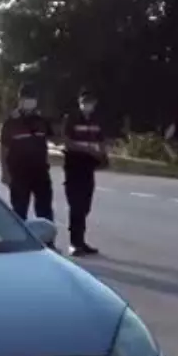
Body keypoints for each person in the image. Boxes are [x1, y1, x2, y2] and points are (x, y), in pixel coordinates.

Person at [0, 83, 56, 247]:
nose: (31, 101)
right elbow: (3, 148)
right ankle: (19, 243)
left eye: (33, 98)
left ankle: (47, 243)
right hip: (19, 173)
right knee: (19, 210)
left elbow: (54, 139)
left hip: (40, 172)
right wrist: (5, 172)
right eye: (28, 98)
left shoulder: (41, 121)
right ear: (20, 100)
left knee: (45, 210)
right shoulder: (11, 122)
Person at [60, 89, 107, 256]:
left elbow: (101, 140)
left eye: (91, 102)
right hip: (74, 165)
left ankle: (81, 241)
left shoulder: (96, 120)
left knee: (86, 205)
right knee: (76, 204)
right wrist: (87, 149)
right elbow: (66, 142)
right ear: (80, 102)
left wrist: (103, 156)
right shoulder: (71, 119)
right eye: (85, 102)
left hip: (89, 167)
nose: (88, 105)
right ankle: (74, 243)